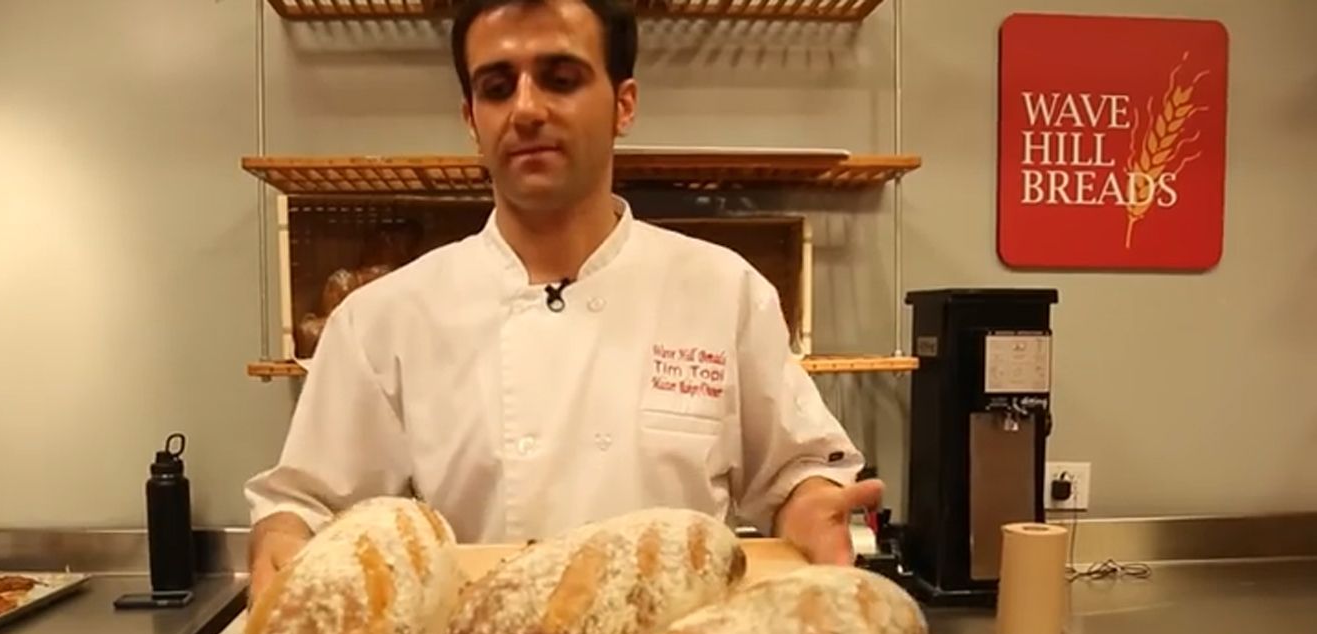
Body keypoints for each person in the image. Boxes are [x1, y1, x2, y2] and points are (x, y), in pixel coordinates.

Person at [242, 0, 884, 598]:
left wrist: (811, 505)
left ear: (623, 105)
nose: (525, 108)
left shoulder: (724, 291)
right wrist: (282, 536)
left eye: (561, 78)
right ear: (472, 120)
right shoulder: (383, 318)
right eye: (497, 86)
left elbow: (796, 471)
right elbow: (309, 506)